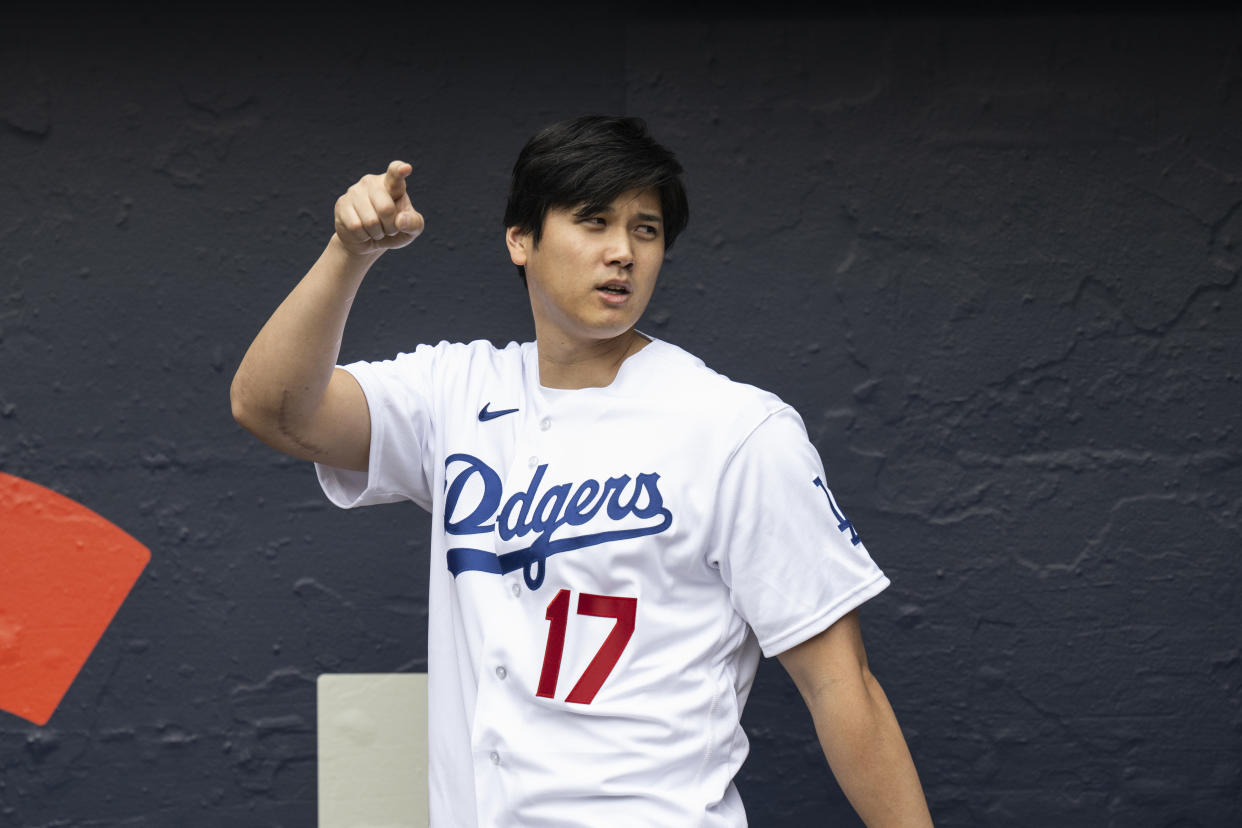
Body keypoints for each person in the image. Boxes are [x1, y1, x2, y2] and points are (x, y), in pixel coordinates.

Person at [231, 115, 933, 827]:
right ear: (520, 240)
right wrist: (348, 252)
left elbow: (843, 688)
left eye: (646, 229)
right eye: (593, 220)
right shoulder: (457, 393)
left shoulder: (736, 430)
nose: (622, 252)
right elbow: (273, 408)